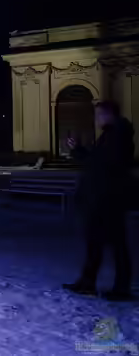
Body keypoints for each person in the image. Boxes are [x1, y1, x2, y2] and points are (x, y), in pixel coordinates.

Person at [63, 101, 134, 301]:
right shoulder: (112, 134)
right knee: (96, 242)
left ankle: (120, 288)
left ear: (109, 114)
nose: (97, 119)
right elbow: (97, 162)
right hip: (102, 197)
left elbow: (103, 165)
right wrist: (78, 150)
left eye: (99, 115)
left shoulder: (118, 135)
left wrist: (80, 152)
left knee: (116, 244)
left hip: (107, 199)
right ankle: (88, 282)